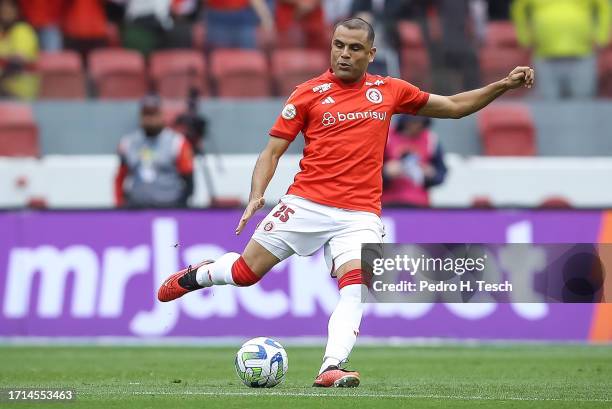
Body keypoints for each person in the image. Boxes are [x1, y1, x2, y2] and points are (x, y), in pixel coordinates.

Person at [157, 18, 534, 387]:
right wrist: (258, 192)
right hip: (306, 203)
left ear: (370, 54)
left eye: (355, 48)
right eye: (339, 45)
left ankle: (331, 366)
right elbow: (272, 151)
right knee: (244, 274)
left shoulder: (390, 90)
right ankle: (199, 274)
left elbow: (453, 106)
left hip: (359, 214)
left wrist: (502, 84)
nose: (344, 54)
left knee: (357, 287)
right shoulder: (307, 93)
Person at [512, 0, 610, 99]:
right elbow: (518, 8)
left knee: (583, 103)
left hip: (582, 55)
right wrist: (524, 38)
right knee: (548, 103)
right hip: (545, 56)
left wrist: (601, 37)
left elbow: (604, 6)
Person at [115, 94, 195, 208]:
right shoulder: (128, 143)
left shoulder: (177, 142)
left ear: (161, 115)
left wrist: (181, 209)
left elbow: (189, 181)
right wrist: (119, 205)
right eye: (146, 114)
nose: (150, 119)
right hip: (137, 208)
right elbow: (120, 177)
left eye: (153, 114)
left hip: (169, 208)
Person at [382, 115, 447, 207]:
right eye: (413, 122)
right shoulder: (387, 136)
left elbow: (441, 173)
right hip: (388, 201)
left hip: (419, 203)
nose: (416, 126)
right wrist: (385, 171)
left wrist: (431, 174)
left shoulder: (431, 140)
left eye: (420, 122)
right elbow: (367, 169)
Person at [0, 0, 39, 99]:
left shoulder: (23, 30)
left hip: (21, 88)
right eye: (2, 8)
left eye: (9, 8)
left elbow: (17, 61)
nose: (5, 11)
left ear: (17, 10)